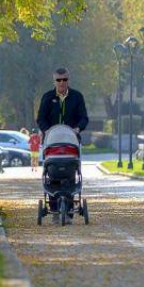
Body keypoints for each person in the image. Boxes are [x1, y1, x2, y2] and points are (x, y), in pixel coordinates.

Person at [36, 68, 88, 221]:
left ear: (68, 80)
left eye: (64, 79)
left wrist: (77, 129)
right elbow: (41, 118)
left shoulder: (77, 97)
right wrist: (47, 130)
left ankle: (70, 210)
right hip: (52, 143)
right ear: (54, 81)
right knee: (52, 176)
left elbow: (84, 117)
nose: (62, 83)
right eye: (59, 80)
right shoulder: (48, 97)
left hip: (71, 143)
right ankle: (54, 209)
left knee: (70, 176)